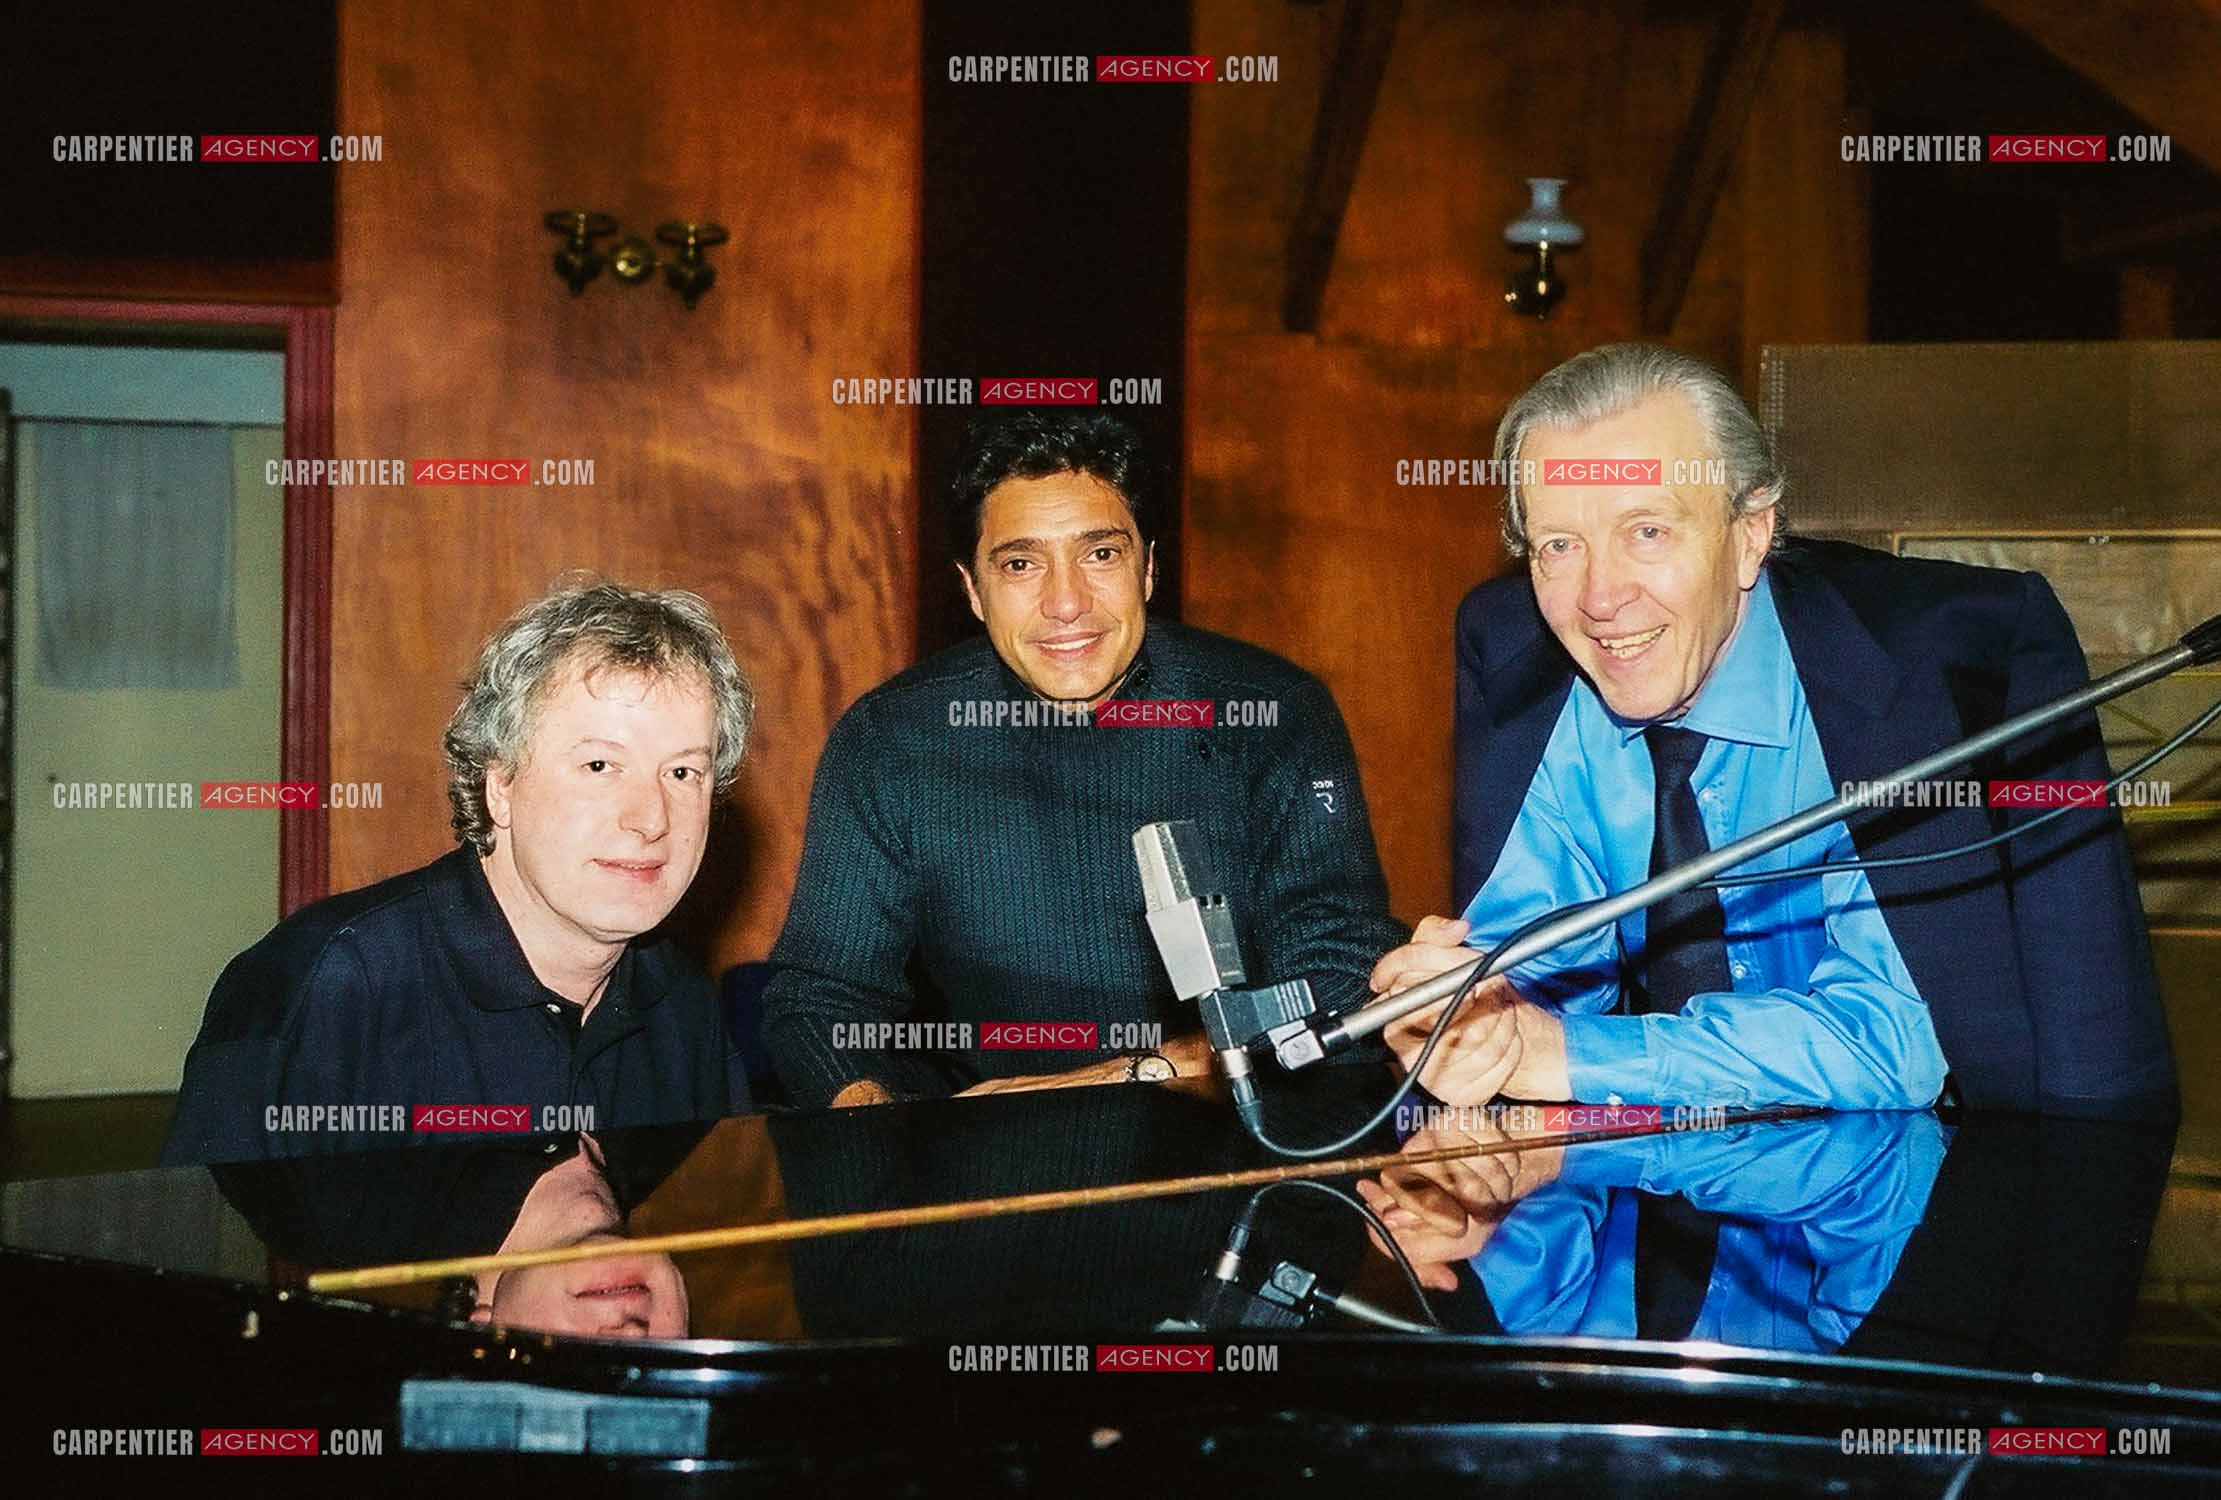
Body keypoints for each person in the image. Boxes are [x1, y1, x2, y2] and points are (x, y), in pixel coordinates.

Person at [1371, 343, 2175, 1121]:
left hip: (1913, 1193)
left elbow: (1895, 1042)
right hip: (1645, 1179)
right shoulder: (1512, 647)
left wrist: (1563, 1055)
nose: (1599, 598)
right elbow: (1539, 960)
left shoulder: (1939, 658)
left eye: (1646, 531)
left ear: (1751, 533)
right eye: (1557, 546)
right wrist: (1472, 1014)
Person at [761, 408, 1404, 1108]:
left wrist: (1128, 1075)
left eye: (1100, 554)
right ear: (972, 590)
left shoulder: (1273, 710)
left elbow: (1341, 968)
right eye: (1020, 564)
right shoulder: (891, 740)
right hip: (992, 1155)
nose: (1065, 602)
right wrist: (877, 1133)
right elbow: (819, 997)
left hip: (1235, 1137)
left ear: (1148, 568)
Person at [163, 580, 756, 1164]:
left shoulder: (684, 1010)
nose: (652, 819)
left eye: (683, 774)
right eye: (600, 765)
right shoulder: (329, 986)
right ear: (500, 786)